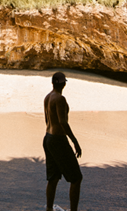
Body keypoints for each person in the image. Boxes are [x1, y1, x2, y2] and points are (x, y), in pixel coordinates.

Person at [43, 71, 82, 211]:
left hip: (48, 138)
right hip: (58, 140)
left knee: (53, 178)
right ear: (64, 83)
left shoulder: (47, 97)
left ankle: (49, 208)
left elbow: (47, 120)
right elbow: (63, 123)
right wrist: (75, 141)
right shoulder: (60, 99)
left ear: (53, 83)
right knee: (76, 178)